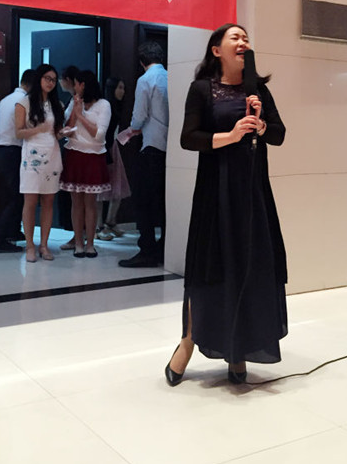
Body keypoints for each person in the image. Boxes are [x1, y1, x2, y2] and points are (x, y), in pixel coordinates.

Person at [164, 23, 288, 386]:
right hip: (214, 193)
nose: (243, 41)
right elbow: (189, 138)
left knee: (249, 266)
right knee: (208, 267)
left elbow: (279, 134)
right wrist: (231, 135)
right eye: (235, 37)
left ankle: (239, 348)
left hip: (252, 194)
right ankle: (188, 341)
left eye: (246, 38)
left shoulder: (258, 90)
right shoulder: (202, 89)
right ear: (216, 50)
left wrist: (260, 125)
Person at [118, 41, 169, 268]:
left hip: (152, 144)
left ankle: (147, 249)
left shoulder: (145, 79)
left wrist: (132, 129)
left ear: (142, 62)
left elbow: (139, 115)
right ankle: (165, 247)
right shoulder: (170, 77)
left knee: (143, 201)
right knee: (164, 201)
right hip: (169, 147)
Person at [15, 64, 64, 263]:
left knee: (49, 201)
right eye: (47, 78)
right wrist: (38, 129)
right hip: (32, 155)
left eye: (54, 80)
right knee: (30, 201)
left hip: (52, 154)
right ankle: (30, 245)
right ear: (39, 79)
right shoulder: (24, 103)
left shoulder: (57, 104)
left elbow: (57, 133)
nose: (50, 83)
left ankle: (44, 245)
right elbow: (18, 132)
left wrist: (63, 133)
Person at [60, 70, 111, 258]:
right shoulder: (74, 102)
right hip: (74, 153)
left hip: (94, 156)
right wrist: (75, 111)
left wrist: (81, 115)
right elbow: (68, 130)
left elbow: (99, 135)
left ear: (83, 84)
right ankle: (78, 243)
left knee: (90, 202)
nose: (75, 88)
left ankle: (90, 244)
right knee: (76, 202)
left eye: (77, 84)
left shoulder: (103, 105)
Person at [0, 69, 35, 253]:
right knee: (16, 197)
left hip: (0, 150)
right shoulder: (23, 102)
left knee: (13, 195)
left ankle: (13, 232)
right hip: (13, 151)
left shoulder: (5, 100)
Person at [96, 77, 131, 241]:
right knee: (100, 189)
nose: (122, 92)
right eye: (120, 87)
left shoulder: (115, 106)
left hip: (112, 147)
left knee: (117, 185)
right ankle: (99, 226)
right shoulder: (106, 106)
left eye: (123, 88)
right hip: (104, 149)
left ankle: (110, 221)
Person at [58, 65, 80, 249]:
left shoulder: (77, 100)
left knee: (75, 196)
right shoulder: (73, 99)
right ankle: (78, 235)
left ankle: (78, 235)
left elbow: (70, 125)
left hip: (75, 148)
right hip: (71, 147)